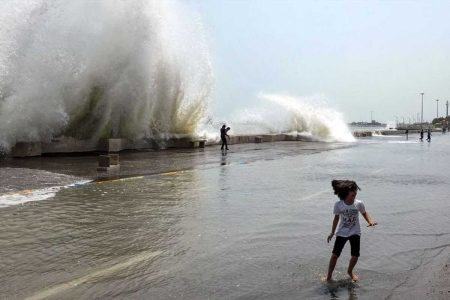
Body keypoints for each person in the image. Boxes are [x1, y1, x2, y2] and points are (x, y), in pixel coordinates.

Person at [326, 180, 377, 282]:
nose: (354, 197)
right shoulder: (338, 205)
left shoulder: (359, 204)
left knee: (355, 255)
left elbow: (364, 213)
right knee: (335, 255)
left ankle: (350, 271)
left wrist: (370, 222)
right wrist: (332, 232)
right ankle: (329, 276)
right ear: (345, 194)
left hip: (355, 232)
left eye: (355, 195)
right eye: (352, 195)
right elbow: (336, 218)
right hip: (342, 232)